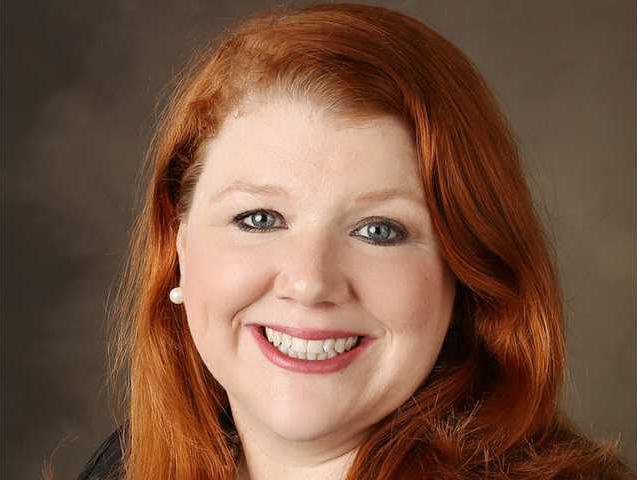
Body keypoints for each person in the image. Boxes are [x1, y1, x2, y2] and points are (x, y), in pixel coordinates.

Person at [70, 3, 634, 479]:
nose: (309, 282)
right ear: (180, 249)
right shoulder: (123, 467)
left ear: (466, 273)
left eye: (379, 230)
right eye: (259, 219)